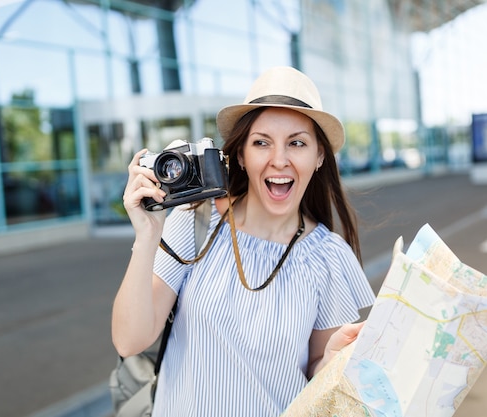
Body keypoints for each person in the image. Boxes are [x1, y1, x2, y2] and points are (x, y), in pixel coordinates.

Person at [112, 66, 376, 416]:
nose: (278, 160)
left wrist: (330, 362)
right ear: (240, 155)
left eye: (297, 143)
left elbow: (317, 372)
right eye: (261, 142)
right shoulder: (196, 223)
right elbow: (130, 340)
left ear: (319, 157)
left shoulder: (328, 257)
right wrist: (148, 235)